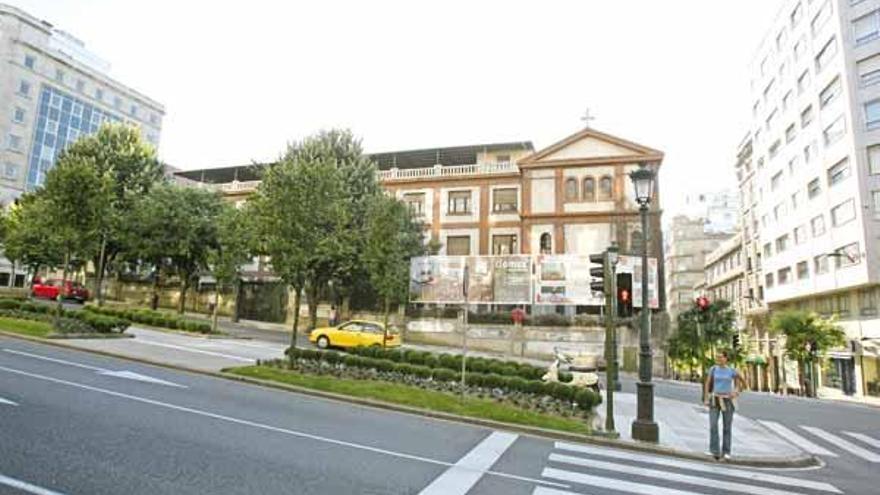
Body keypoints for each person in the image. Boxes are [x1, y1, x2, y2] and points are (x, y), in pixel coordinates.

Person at [704, 350, 746, 461]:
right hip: (715, 399)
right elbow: (707, 383)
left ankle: (726, 452)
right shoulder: (713, 369)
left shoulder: (732, 371)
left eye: (721, 357)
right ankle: (714, 451)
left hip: (728, 400)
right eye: (717, 357)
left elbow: (742, 382)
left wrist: (736, 392)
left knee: (727, 427)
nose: (719, 359)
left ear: (726, 358)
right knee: (713, 425)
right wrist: (706, 398)